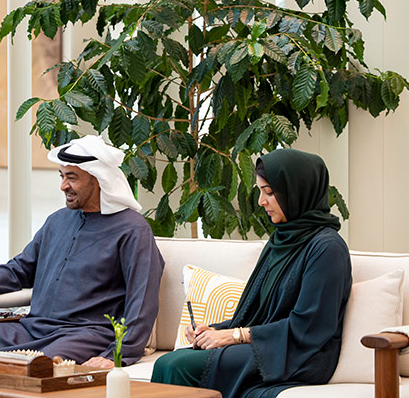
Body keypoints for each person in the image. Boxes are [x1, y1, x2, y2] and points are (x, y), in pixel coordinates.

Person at [151, 148, 352, 397]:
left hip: (298, 354)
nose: (261, 202)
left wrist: (233, 335)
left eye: (269, 192)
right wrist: (215, 330)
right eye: (260, 192)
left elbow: (310, 328)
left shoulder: (327, 248)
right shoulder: (280, 239)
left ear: (297, 190)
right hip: (265, 346)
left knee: (173, 365)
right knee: (174, 360)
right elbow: (259, 313)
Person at [0, 135, 164, 368]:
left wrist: (116, 355)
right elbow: (20, 269)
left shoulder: (133, 230)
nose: (63, 186)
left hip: (85, 336)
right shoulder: (57, 220)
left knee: (38, 365)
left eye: (72, 178)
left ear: (98, 179)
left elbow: (142, 302)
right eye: (62, 176)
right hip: (32, 329)